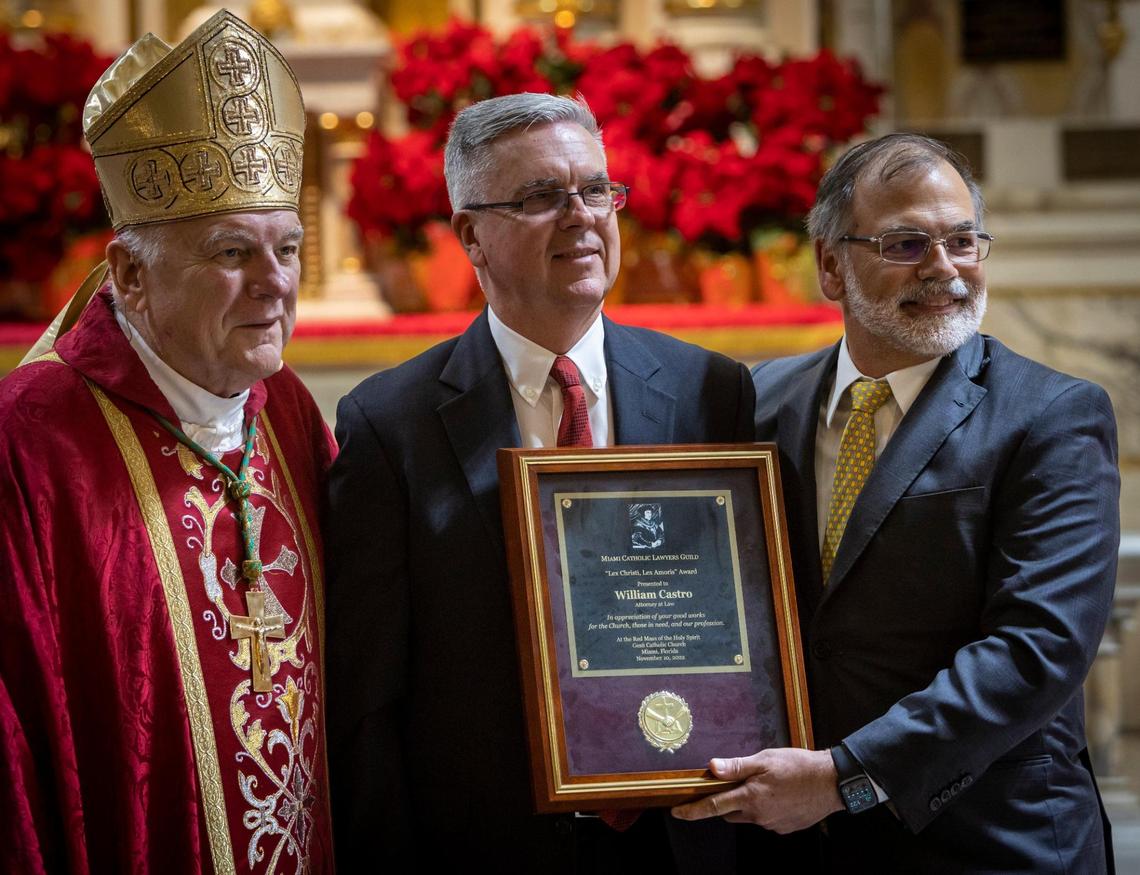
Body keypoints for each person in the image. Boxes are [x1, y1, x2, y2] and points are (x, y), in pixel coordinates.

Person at [325, 93, 759, 872]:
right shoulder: (391, 423)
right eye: (539, 197)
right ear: (470, 235)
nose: (581, 215)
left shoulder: (710, 390)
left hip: (684, 837)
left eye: (595, 189)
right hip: (488, 844)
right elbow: (368, 698)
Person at [672, 133, 1120, 873]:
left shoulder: (1052, 415)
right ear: (829, 264)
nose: (944, 269)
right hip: (791, 847)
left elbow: (1036, 651)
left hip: (989, 841)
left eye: (962, 241)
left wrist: (843, 774)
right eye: (906, 244)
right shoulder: (759, 403)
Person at [0, 11, 335, 873]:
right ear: (129, 274)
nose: (274, 284)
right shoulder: (29, 441)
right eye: (233, 251)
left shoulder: (287, 407)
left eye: (288, 248)